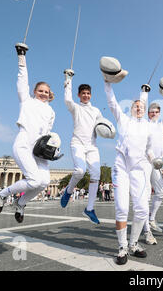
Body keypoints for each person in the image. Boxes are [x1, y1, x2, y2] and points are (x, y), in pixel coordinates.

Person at [0, 44, 56, 223]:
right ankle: (3, 194)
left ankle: (21, 203)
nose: (43, 93)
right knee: (34, 180)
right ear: (34, 92)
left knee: (43, 182)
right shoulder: (26, 101)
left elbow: (48, 133)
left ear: (50, 94)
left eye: (46, 91)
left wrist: (52, 149)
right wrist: (22, 57)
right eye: (40, 91)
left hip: (40, 149)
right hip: (24, 144)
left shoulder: (51, 112)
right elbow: (22, 80)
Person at [103, 62, 156, 265]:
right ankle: (122, 246)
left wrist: (155, 160)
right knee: (122, 208)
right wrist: (107, 83)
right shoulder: (123, 119)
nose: (139, 108)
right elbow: (112, 102)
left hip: (139, 169)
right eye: (136, 106)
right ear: (132, 108)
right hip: (121, 168)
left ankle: (133, 243)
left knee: (142, 208)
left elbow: (149, 149)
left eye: (142, 106)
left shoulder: (149, 128)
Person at [60, 75, 106, 225]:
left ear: (91, 95)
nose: (86, 95)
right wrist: (68, 80)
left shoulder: (96, 111)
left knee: (96, 176)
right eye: (83, 93)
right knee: (80, 171)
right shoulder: (76, 107)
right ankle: (68, 191)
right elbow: (67, 99)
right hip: (77, 143)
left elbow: (102, 126)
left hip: (92, 146)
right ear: (79, 95)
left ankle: (90, 209)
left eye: (88, 93)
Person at [140, 93, 163, 244]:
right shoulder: (144, 123)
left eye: (156, 112)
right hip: (144, 161)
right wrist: (144, 93)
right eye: (151, 112)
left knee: (160, 192)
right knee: (146, 195)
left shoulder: (161, 125)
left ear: (159, 114)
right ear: (148, 114)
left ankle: (151, 219)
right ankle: (146, 229)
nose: (154, 114)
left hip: (157, 164)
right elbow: (141, 106)